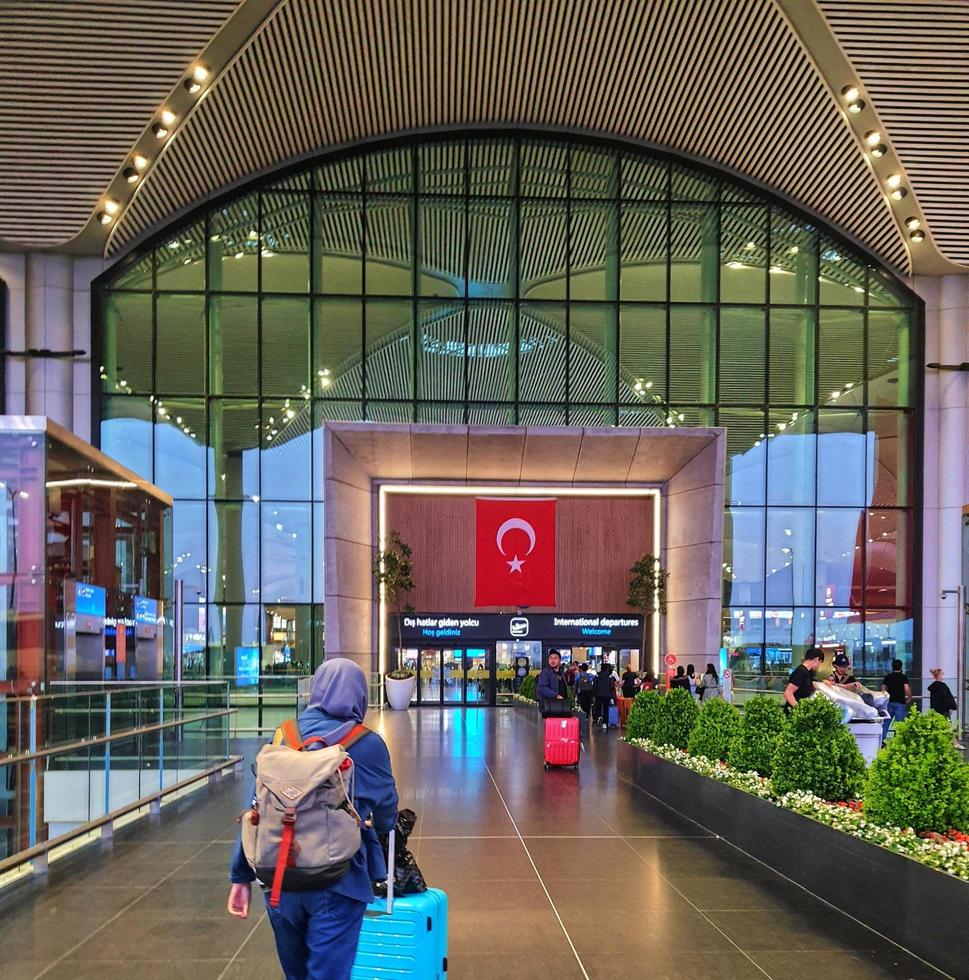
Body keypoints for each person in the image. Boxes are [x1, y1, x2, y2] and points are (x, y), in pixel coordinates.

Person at [227, 659, 399, 980]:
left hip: (279, 879)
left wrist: (240, 877)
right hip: (340, 881)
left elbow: (257, 809)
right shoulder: (367, 743)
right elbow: (387, 811)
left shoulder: (283, 736)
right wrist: (384, 830)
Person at [784, 647, 824, 713]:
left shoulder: (808, 672)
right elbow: (788, 693)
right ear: (816, 659)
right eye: (820, 662)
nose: (818, 666)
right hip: (794, 713)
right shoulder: (801, 672)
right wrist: (799, 709)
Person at [881, 658, 912, 741]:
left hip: (889, 703)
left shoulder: (888, 677)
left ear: (892, 667)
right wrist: (909, 698)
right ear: (901, 667)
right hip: (900, 702)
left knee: (886, 723)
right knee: (900, 724)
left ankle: (882, 740)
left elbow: (883, 689)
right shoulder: (903, 677)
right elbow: (906, 689)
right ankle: (898, 742)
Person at [537, 649, 569, 717]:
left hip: (561, 705)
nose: (552, 660)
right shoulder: (546, 672)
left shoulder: (561, 672)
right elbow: (541, 687)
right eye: (551, 658)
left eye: (555, 658)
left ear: (559, 661)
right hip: (550, 706)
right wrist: (555, 695)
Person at [593, 661, 616, 730]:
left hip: (598, 694)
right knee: (606, 709)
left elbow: (594, 685)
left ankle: (599, 716)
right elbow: (612, 686)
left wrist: (594, 694)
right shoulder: (610, 676)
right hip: (607, 695)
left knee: (598, 706)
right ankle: (604, 723)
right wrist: (612, 696)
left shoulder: (597, 675)